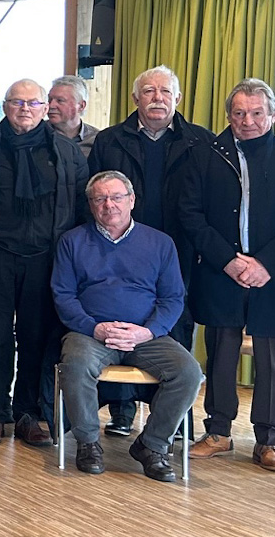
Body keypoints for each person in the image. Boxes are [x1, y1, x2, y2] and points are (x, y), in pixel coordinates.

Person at [181, 78, 275, 473]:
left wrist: (265, 265)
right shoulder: (205, 156)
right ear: (229, 115)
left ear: (273, 115)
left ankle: (269, 440)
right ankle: (219, 432)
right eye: (240, 113)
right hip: (221, 270)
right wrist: (228, 260)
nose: (248, 121)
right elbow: (190, 214)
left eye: (257, 113)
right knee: (221, 354)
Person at [0, 79, 90, 447]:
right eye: (17, 102)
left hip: (47, 258)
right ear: (4, 107)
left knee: (36, 338)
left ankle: (29, 413)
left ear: (45, 109)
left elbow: (78, 208)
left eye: (33, 103)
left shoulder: (66, 152)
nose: (25, 109)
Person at [87, 66, 217, 435]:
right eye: (148, 91)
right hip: (120, 249)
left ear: (177, 98)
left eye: (164, 91)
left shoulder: (200, 141)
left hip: (181, 250)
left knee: (175, 327)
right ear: (135, 99)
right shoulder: (109, 141)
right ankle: (121, 410)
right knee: (121, 321)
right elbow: (94, 198)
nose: (157, 98)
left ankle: (173, 421)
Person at [52, 171, 200, 482]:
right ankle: (88, 443)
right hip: (90, 334)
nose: (109, 205)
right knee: (75, 364)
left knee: (188, 372)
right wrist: (95, 329)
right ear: (91, 205)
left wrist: (147, 331)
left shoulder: (160, 243)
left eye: (116, 197)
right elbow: (63, 296)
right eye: (100, 199)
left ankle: (152, 445)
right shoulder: (72, 241)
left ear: (131, 200)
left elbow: (173, 298)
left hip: (146, 335)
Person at [49, 75, 100, 158]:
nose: (51, 105)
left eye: (60, 100)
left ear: (81, 106)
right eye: (50, 100)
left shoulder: (96, 140)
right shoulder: (37, 135)